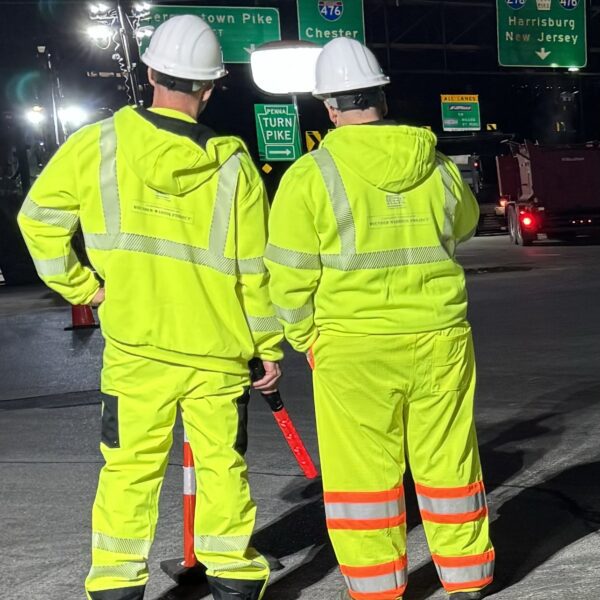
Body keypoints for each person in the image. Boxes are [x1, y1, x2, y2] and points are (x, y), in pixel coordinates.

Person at [18, 15, 282, 600]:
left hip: (136, 349)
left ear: (150, 72)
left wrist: (84, 287)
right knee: (222, 471)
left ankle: (116, 585)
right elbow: (254, 272)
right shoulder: (234, 165)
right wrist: (266, 348)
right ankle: (234, 578)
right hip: (217, 353)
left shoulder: (97, 144)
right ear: (210, 88)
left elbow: (38, 221)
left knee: (128, 472)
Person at [265, 37, 494, 600]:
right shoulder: (436, 165)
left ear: (330, 107)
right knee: (449, 460)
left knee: (363, 476)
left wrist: (304, 337)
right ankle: (468, 580)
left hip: (352, 346)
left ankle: (378, 588)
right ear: (383, 99)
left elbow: (289, 276)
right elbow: (463, 225)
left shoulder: (310, 175)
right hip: (440, 337)